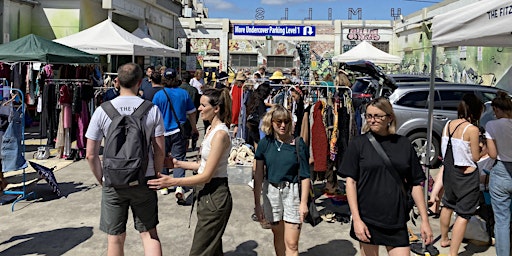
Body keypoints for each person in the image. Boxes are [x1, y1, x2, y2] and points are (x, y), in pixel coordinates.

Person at [85, 62, 165, 256]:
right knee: (149, 235)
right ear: (140, 82)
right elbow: (160, 149)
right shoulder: (151, 109)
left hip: (113, 181)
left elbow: (90, 154)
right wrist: (156, 174)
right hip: (144, 179)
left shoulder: (102, 110)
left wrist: (102, 179)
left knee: (115, 238)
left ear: (117, 81)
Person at [339, 97, 433, 255]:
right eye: (369, 116)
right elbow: (351, 183)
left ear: (390, 117)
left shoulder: (403, 144)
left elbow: (416, 183)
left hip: (396, 219)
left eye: (377, 116)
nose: (372, 120)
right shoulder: (359, 144)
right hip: (367, 217)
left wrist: (425, 220)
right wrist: (356, 219)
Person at [148, 88, 233, 256]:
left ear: (216, 108)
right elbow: (203, 165)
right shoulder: (210, 131)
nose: (199, 109)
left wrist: (172, 182)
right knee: (212, 249)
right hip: (207, 195)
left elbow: (206, 175)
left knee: (199, 250)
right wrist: (178, 164)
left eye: (203, 105)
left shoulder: (220, 134)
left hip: (215, 194)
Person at [253, 104, 311, 256]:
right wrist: (257, 204)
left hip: (292, 193)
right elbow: (258, 174)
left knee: (292, 243)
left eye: (286, 121)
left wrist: (303, 203)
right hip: (271, 192)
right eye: (279, 122)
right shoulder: (265, 143)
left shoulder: (298, 144)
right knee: (278, 237)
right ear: (271, 123)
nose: (283, 125)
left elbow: (305, 175)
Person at [438, 93, 483, 255]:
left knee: (448, 205)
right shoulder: (472, 129)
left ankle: (444, 239)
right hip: (466, 176)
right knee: (463, 215)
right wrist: (481, 147)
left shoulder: (448, 124)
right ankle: (453, 252)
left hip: (449, 173)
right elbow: (476, 157)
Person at [152, 68, 198, 201]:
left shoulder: (159, 95)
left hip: (161, 131)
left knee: (162, 156)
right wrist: (194, 128)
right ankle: (179, 185)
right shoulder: (183, 94)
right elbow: (192, 113)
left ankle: (164, 185)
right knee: (179, 157)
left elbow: (153, 115)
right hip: (179, 130)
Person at [485, 91, 512, 256]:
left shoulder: (492, 126)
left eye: (495, 111)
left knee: (502, 221)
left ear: (498, 109)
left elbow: (493, 154)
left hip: (501, 171)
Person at [179, 72, 200, 151]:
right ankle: (191, 146)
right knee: (190, 132)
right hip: (191, 114)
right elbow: (197, 104)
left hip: (180, 115)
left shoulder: (178, 89)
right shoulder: (194, 90)